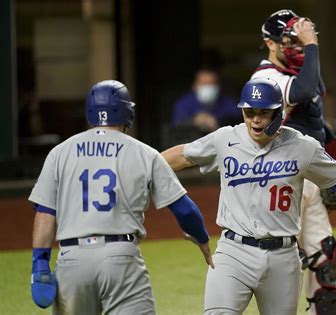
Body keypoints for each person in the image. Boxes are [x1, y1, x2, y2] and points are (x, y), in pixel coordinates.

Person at [162, 77, 336, 315]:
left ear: (278, 112)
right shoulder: (225, 139)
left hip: (283, 258)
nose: (256, 120)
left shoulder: (302, 147)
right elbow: (183, 155)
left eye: (263, 112)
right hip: (233, 253)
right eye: (250, 112)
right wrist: (145, 167)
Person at [29, 80, 213, 314]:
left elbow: (45, 212)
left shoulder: (59, 153)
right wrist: (202, 240)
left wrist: (40, 263)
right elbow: (185, 210)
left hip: (72, 260)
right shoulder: (144, 152)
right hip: (121, 259)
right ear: (127, 112)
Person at [252, 9, 336, 314]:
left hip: (309, 178)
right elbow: (303, 91)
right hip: (280, 183)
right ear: (270, 44)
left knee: (326, 258)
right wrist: (312, 46)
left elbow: (315, 123)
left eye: (302, 41)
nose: (299, 47)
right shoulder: (265, 77)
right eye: (291, 41)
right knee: (285, 266)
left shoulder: (299, 72)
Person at [172, 68, 241, 133]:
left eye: (211, 84)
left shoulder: (229, 102)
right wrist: (194, 121)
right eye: (204, 84)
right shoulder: (184, 104)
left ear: (218, 86)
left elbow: (237, 119)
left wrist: (217, 121)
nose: (207, 87)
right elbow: (177, 124)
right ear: (194, 86)